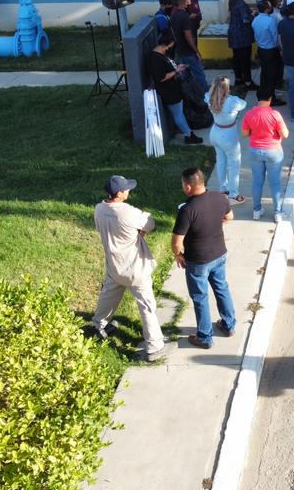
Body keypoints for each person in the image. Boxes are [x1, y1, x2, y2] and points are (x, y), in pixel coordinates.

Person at [91, 175, 165, 361]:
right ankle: (154, 345)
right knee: (146, 305)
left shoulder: (99, 209)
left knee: (108, 296)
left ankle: (99, 325)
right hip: (135, 268)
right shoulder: (129, 212)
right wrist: (142, 226)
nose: (129, 191)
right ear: (119, 193)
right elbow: (150, 224)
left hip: (114, 266)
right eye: (126, 189)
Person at [172, 167, 236, 350]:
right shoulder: (220, 198)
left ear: (188, 186)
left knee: (200, 297)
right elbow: (230, 217)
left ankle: (205, 337)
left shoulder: (187, 210)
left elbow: (176, 242)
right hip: (220, 254)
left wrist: (178, 255)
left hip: (198, 261)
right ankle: (229, 325)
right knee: (222, 288)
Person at [241, 89, 289, 220]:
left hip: (255, 151)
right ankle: (278, 213)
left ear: (257, 99)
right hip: (273, 151)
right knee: (275, 183)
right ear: (270, 99)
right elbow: (285, 134)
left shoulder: (249, 114)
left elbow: (244, 133)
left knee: (257, 182)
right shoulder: (275, 114)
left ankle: (257, 210)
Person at [145, 32, 202, 144]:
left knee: (179, 113)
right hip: (169, 91)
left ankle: (188, 134)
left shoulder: (161, 54)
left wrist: (178, 67)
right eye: (171, 44)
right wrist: (176, 71)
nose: (171, 47)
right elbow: (161, 78)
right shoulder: (156, 59)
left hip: (173, 89)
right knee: (178, 115)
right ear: (166, 43)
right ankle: (189, 135)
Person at [207, 77, 248, 203]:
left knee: (221, 161)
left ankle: (223, 189)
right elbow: (244, 104)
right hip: (228, 134)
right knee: (234, 164)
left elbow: (208, 96)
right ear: (227, 88)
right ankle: (233, 194)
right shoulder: (233, 101)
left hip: (215, 132)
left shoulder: (209, 98)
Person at [169, 0, 208, 92]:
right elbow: (188, 36)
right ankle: (206, 96)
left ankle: (188, 93)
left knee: (186, 74)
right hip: (189, 51)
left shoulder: (173, 15)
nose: (190, 0)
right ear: (183, 2)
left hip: (181, 50)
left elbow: (173, 32)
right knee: (199, 75)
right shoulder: (185, 16)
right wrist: (196, 51)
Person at [251, 0, 284, 105]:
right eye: (269, 7)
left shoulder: (255, 20)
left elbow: (255, 35)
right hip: (271, 50)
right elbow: (275, 37)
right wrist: (280, 49)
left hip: (261, 49)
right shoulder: (270, 21)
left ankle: (262, 94)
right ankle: (270, 98)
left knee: (264, 73)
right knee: (272, 75)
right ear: (266, 9)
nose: (271, 8)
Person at [226, 0, 255, 91]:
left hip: (233, 33)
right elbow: (245, 19)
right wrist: (252, 15)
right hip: (242, 35)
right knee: (245, 59)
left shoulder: (232, 1)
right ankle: (248, 82)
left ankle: (238, 79)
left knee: (237, 58)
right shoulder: (241, 3)